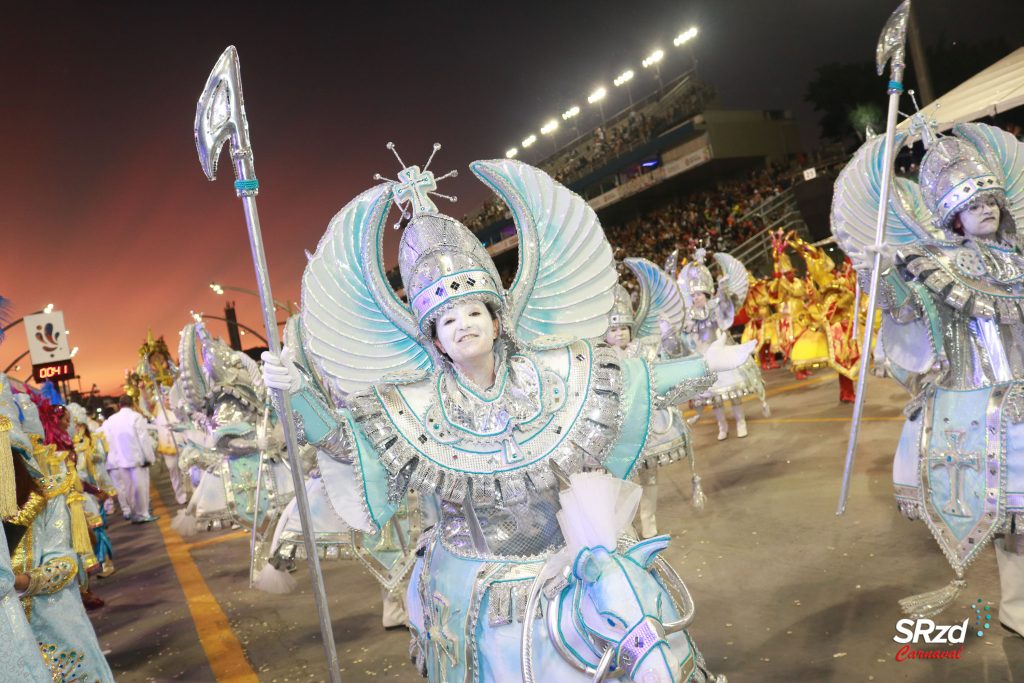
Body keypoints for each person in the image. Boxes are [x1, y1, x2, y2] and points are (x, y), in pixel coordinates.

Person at [263, 154, 748, 681]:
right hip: (474, 574)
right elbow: (345, 444)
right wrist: (297, 397)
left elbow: (635, 382)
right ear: (435, 338)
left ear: (497, 321)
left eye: (474, 312)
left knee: (642, 624)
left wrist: (708, 364)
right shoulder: (416, 405)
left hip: (567, 554)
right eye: (447, 318)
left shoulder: (555, 373)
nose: (463, 325)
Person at [832, 120, 1024, 626]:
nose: (987, 208)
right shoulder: (934, 263)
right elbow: (902, 312)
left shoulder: (1019, 257)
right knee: (1013, 518)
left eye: (991, 199)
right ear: (953, 217)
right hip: (977, 403)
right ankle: (1016, 606)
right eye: (974, 203)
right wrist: (878, 271)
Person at [99, 395, 157, 524]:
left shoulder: (112, 420)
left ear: (120, 405)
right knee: (141, 487)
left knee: (129, 488)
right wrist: (149, 457)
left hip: (120, 460)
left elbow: (107, 439)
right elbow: (143, 439)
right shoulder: (136, 417)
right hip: (137, 458)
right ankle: (143, 514)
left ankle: (134, 513)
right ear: (132, 404)